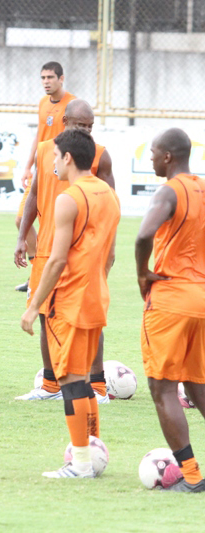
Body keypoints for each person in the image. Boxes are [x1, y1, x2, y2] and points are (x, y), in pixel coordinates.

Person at [21, 128, 120, 478]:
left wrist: (33, 306)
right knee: (84, 380)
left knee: (71, 382)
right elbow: (109, 255)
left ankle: (80, 464)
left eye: (54, 157)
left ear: (68, 157)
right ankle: (91, 451)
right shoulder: (108, 195)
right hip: (96, 296)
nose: (52, 164)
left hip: (69, 301)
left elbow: (57, 260)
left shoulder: (69, 198)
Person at [14, 99, 114, 402]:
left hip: (81, 253)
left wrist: (107, 254)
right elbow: (33, 194)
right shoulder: (46, 150)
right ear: (66, 121)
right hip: (47, 248)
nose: (86, 131)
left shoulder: (99, 155)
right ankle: (50, 385)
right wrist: (23, 237)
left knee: (88, 317)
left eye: (90, 126)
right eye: (81, 125)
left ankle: (96, 385)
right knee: (46, 317)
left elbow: (110, 206)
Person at [135, 128, 205, 492]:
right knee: (197, 384)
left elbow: (143, 235)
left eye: (153, 152)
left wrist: (142, 274)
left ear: (167, 157)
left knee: (162, 388)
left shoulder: (169, 191)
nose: (149, 158)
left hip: (171, 299)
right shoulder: (202, 188)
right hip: (201, 298)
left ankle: (191, 476)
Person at [15, 62, 76, 293]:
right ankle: (36, 272)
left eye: (50, 77)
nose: (46, 81)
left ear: (61, 78)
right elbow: (39, 136)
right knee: (22, 219)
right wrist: (28, 166)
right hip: (40, 171)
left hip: (59, 174)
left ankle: (55, 276)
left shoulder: (72, 104)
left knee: (55, 225)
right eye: (43, 77)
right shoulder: (43, 103)